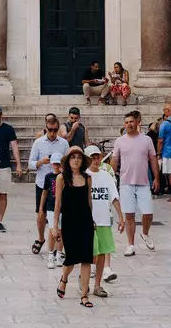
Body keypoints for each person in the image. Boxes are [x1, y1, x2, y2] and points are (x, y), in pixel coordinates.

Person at [54, 145, 97, 306]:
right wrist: (55, 226)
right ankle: (64, 279)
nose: (76, 160)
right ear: (68, 160)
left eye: (79, 157)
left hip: (85, 220)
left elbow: (89, 201)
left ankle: (85, 295)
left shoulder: (87, 178)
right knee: (71, 258)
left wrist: (92, 220)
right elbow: (58, 204)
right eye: (73, 157)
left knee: (86, 258)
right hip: (69, 221)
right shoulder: (61, 178)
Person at [113, 110, 157, 255]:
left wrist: (156, 177)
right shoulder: (120, 141)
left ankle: (145, 233)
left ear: (137, 122)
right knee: (129, 214)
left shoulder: (147, 140)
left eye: (131, 121)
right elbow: (115, 160)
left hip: (143, 182)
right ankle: (131, 244)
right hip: (126, 182)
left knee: (148, 213)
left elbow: (152, 159)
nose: (129, 124)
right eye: (126, 122)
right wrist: (111, 177)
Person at [27, 115, 69, 264]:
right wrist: (41, 162)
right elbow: (30, 164)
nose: (52, 133)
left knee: (61, 214)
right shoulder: (38, 143)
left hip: (60, 183)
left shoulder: (63, 143)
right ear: (46, 129)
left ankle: (60, 247)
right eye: (50, 130)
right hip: (42, 182)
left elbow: (69, 161)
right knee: (41, 214)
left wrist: (61, 166)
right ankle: (40, 237)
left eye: (55, 130)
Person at [86, 145, 118, 299]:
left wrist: (121, 217)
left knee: (103, 253)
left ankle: (97, 285)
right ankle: (83, 279)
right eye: (92, 157)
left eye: (97, 156)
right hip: (87, 221)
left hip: (104, 219)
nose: (96, 160)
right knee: (88, 253)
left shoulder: (106, 176)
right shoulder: (83, 176)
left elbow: (114, 196)